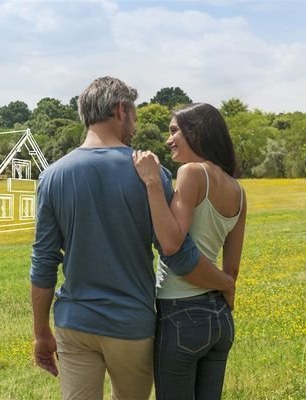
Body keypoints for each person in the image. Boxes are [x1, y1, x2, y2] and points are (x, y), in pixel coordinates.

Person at [30, 76, 235, 400]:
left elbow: (43, 262)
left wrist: (41, 332)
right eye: (135, 115)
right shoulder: (151, 174)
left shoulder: (52, 176)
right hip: (132, 326)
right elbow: (176, 254)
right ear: (120, 110)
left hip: (75, 323)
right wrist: (223, 282)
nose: (136, 125)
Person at [133, 103, 247, 400]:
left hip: (180, 314)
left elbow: (171, 243)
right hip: (220, 319)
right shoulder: (237, 190)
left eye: (174, 131)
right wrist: (225, 290)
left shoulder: (192, 173)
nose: (168, 140)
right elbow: (231, 271)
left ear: (196, 133)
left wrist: (152, 182)